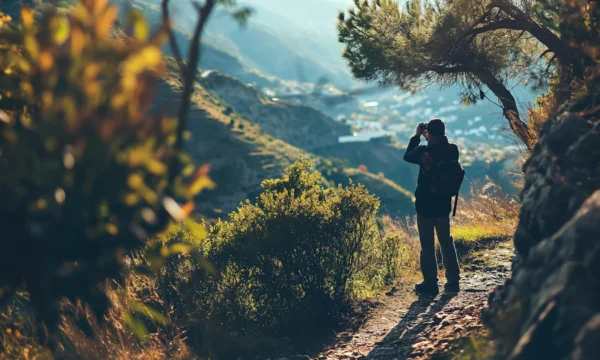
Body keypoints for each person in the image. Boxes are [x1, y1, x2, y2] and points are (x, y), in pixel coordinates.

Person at [404, 118, 461, 295]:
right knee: (446, 241)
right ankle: (453, 280)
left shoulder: (424, 150)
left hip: (425, 205)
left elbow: (407, 155)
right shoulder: (453, 149)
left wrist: (417, 136)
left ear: (429, 133)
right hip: (443, 204)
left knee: (427, 245)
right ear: (444, 131)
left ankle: (431, 283)